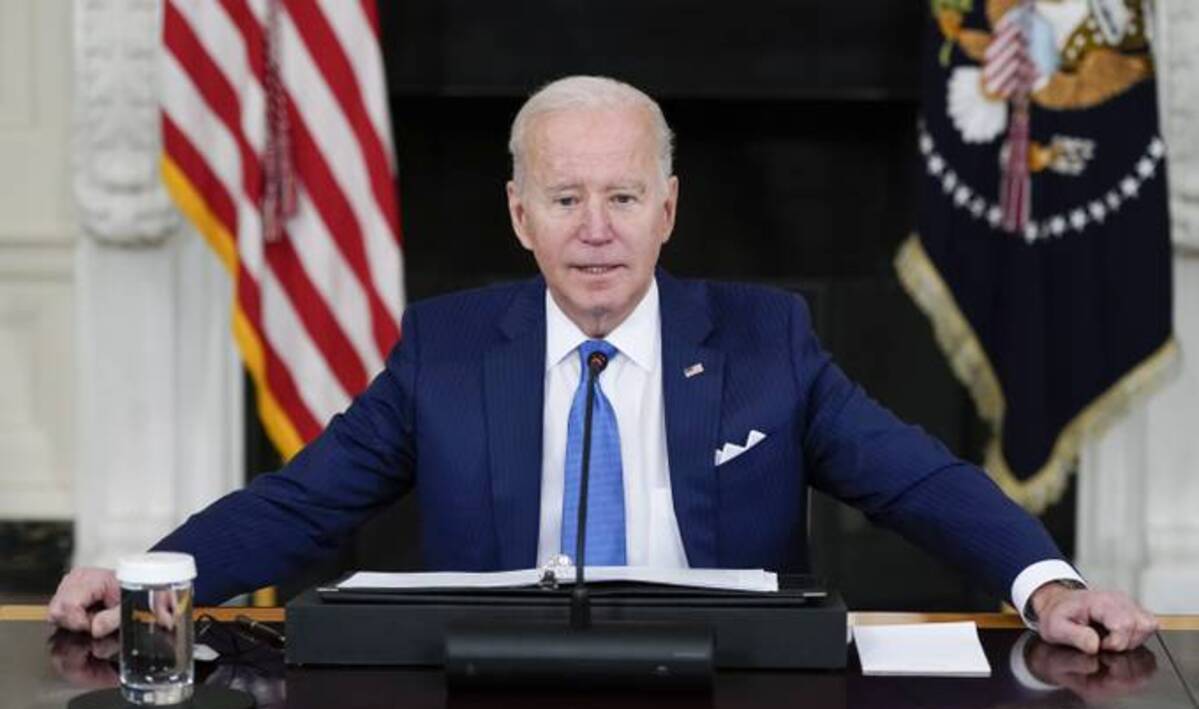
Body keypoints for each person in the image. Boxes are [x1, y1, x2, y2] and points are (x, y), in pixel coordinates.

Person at [50, 75, 1157, 654]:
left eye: (622, 196)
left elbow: (916, 479)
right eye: (564, 198)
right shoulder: (446, 345)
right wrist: (156, 577)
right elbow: (304, 501)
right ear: (518, 216)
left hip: (722, 695)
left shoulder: (764, 338)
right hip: (491, 697)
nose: (595, 228)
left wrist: (1045, 583)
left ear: (665, 209)